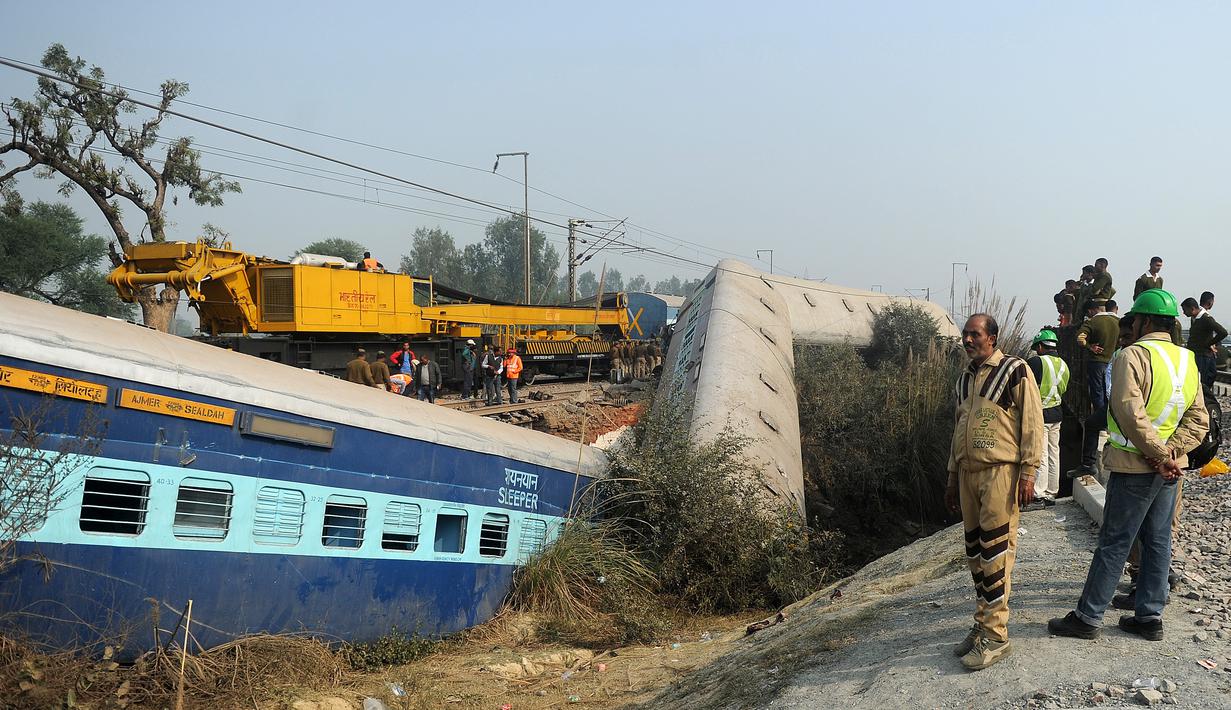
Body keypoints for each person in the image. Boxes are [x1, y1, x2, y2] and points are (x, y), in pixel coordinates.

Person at [1047, 289, 1208, 642]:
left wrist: (1157, 454)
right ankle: (1149, 617)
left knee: (1115, 542)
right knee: (1158, 541)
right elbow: (1199, 420)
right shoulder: (1187, 359)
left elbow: (1127, 411)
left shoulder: (1131, 355)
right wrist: (1171, 454)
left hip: (1136, 467)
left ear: (1144, 321)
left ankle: (1087, 618)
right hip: (1169, 471)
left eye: (1134, 320)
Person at [945, 314, 1043, 671]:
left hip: (1001, 471)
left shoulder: (1015, 370)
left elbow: (1033, 423)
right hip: (969, 473)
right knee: (975, 553)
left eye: (975, 334)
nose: (968, 340)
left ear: (993, 337)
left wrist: (1028, 473)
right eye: (965, 335)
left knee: (995, 553)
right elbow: (958, 430)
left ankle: (997, 636)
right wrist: (952, 476)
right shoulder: (964, 379)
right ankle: (983, 621)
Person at [1067, 300, 1119, 478]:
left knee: (1096, 393)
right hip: (1113, 361)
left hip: (1097, 361)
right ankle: (1106, 419)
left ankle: (1101, 421)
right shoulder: (1118, 322)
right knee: (1108, 391)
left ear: (1091, 310)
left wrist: (1090, 347)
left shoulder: (1092, 322)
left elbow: (1080, 339)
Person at [1027, 330, 1068, 505]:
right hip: (1057, 413)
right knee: (1053, 453)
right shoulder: (1064, 365)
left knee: (1041, 454)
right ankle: (1052, 490)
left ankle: (1039, 493)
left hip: (1040, 414)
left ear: (1041, 346)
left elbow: (1026, 387)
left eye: (1037, 348)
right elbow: (1064, 389)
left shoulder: (1037, 362)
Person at [1181, 297, 1227, 392]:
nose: (1184, 313)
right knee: (1200, 379)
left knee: (1204, 379)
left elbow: (1223, 332)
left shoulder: (1206, 319)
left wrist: (1209, 344)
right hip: (1197, 354)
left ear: (1192, 308)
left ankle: (1204, 398)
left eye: (1185, 310)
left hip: (1203, 355)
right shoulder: (1194, 318)